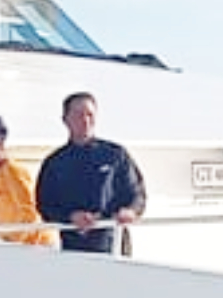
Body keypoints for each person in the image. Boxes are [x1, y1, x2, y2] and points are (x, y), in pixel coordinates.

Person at [33, 91, 145, 255]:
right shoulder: (55, 163)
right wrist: (70, 217)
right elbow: (45, 205)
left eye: (90, 115)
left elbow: (137, 193)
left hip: (114, 244)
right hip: (75, 248)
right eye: (78, 115)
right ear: (65, 120)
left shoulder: (115, 155)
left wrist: (130, 211)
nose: (85, 120)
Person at [0, 116, 53, 247]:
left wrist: (13, 241)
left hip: (33, 247)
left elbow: (29, 213)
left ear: (0, 144)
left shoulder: (12, 171)